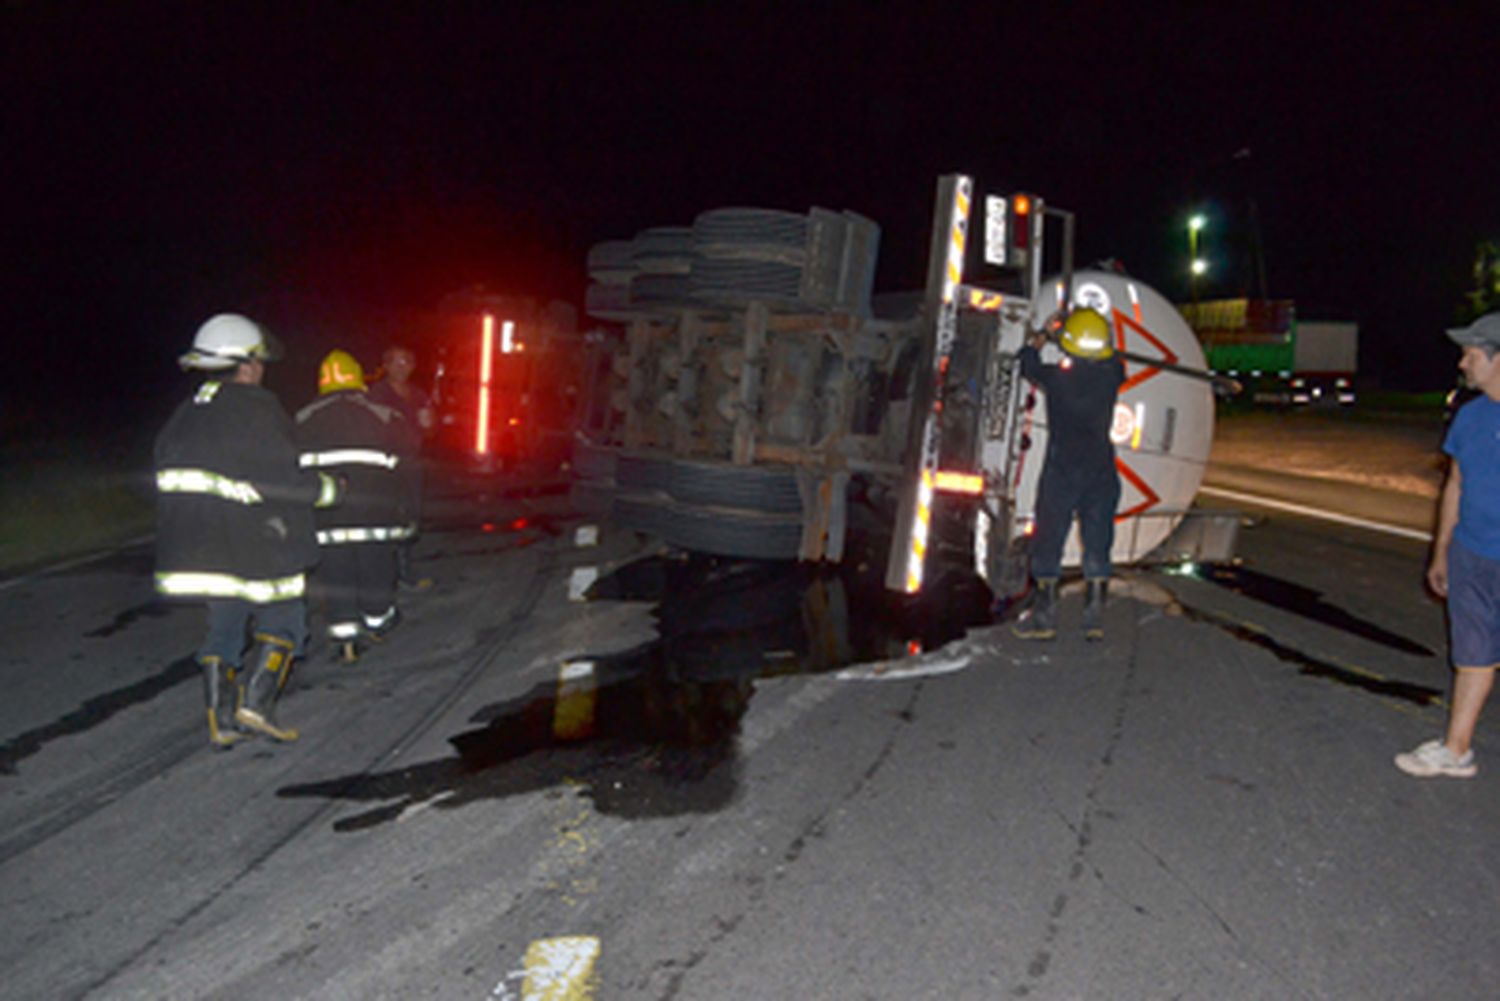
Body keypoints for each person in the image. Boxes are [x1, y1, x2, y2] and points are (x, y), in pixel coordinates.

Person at [155, 314, 336, 746]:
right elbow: (281, 479)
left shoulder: (187, 413)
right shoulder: (256, 408)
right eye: (258, 362)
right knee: (285, 617)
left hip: (200, 548)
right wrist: (330, 490)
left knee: (225, 621)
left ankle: (220, 718)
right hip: (258, 542)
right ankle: (258, 705)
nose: (261, 370)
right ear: (247, 364)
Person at [1396, 312, 1500, 778]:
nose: (1462, 362)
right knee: (1473, 651)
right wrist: (1441, 551)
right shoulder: (1471, 416)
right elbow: (1455, 484)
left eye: (1472, 353)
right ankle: (1457, 749)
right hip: (1472, 553)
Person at [297, 349, 420, 663]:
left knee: (335, 574)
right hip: (375, 514)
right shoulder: (383, 415)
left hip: (327, 516)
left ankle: (345, 636)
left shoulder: (302, 419)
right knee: (376, 566)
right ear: (358, 380)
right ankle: (378, 621)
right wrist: (407, 510)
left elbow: (292, 470)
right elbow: (408, 460)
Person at [1011, 307, 1126, 641]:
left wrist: (1046, 334)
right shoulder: (1111, 376)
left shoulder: (1056, 378)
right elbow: (1114, 358)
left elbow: (1027, 361)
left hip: (1063, 473)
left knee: (1049, 540)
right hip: (1101, 473)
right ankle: (1094, 620)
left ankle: (1044, 620)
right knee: (1097, 542)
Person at [367, 344, 433, 589]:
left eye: (407, 361)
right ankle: (386, 573)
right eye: (397, 361)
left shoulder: (418, 394)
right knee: (387, 518)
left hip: (411, 463)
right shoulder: (377, 394)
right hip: (386, 466)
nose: (403, 367)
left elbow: (431, 431)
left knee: (411, 518)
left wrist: (430, 423)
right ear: (386, 366)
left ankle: (405, 570)